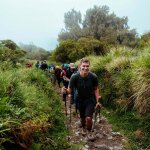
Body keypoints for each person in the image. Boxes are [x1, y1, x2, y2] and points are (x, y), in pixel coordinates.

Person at [62, 57, 101, 133]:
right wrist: (65, 91)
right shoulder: (74, 77)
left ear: (89, 66)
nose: (85, 68)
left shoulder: (93, 77)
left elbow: (96, 89)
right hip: (79, 100)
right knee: (82, 119)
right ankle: (83, 126)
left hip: (90, 99)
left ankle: (89, 132)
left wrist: (97, 101)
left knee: (88, 118)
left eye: (87, 66)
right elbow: (69, 90)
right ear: (80, 66)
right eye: (84, 66)